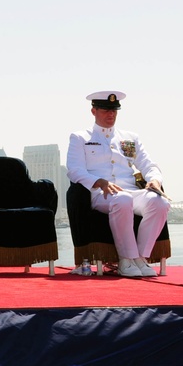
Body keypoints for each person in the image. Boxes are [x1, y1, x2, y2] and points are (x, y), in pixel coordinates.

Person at [66, 90, 170, 277]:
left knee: (160, 203)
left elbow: (149, 165)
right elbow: (74, 170)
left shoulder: (129, 138)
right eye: (105, 110)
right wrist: (99, 181)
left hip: (130, 191)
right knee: (121, 199)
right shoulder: (81, 137)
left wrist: (154, 179)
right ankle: (125, 260)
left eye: (114, 110)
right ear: (94, 111)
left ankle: (140, 258)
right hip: (100, 194)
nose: (111, 114)